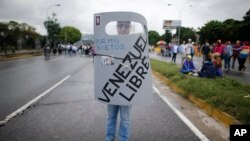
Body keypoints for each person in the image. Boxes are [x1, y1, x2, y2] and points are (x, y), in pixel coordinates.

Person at [106, 21, 132, 141]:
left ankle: (123, 139)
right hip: (112, 86)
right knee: (111, 117)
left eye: (126, 26)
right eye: (120, 26)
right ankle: (109, 138)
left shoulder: (134, 44)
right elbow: (104, 65)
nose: (123, 29)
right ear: (116, 28)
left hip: (127, 89)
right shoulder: (110, 43)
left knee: (125, 119)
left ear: (130, 28)